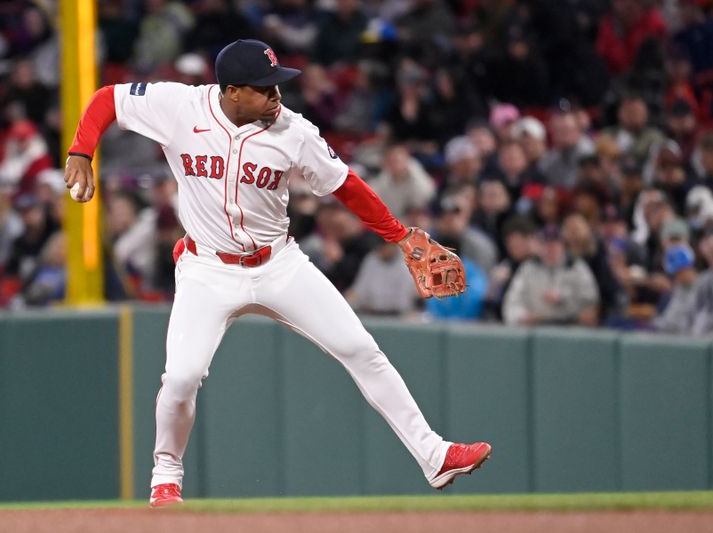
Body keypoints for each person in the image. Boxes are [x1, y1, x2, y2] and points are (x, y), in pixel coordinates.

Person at [63, 39, 491, 508]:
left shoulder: (294, 131)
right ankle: (165, 477)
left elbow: (345, 185)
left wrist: (399, 235)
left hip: (279, 264)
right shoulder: (180, 107)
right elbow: (108, 99)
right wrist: (81, 150)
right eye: (264, 88)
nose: (276, 96)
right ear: (232, 91)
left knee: (360, 348)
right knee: (181, 376)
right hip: (208, 268)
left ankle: (435, 454)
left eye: (277, 85)